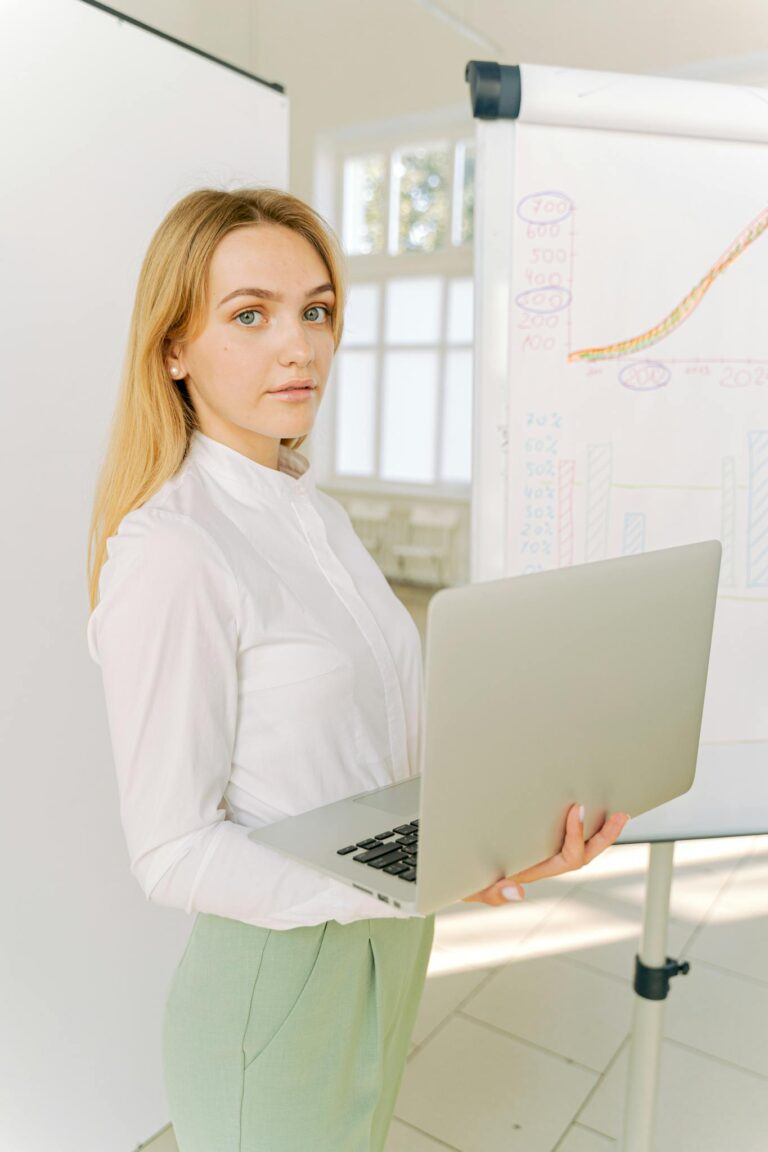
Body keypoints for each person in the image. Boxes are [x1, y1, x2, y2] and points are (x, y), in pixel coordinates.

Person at [85, 187, 629, 1152]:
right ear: (173, 348)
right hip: (279, 973)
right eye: (249, 315)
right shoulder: (174, 549)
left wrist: (498, 843)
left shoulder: (316, 516)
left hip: (388, 943)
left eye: (317, 310)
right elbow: (169, 849)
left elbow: (384, 756)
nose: (298, 346)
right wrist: (398, 884)